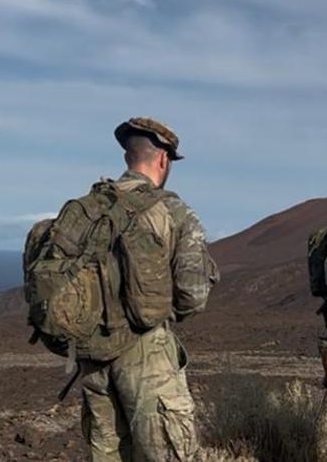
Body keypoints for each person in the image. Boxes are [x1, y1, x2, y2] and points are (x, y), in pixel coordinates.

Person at [79, 117, 219, 461]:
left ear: (128, 157)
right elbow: (193, 294)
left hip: (91, 355)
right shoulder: (173, 211)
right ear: (163, 159)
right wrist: (156, 309)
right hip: (147, 349)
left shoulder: (89, 208)